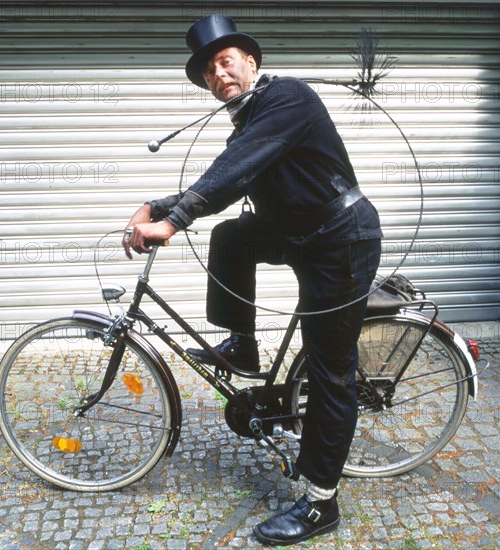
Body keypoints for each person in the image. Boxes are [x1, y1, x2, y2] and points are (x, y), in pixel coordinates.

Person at [123, 15, 382, 546]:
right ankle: (243, 346)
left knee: (331, 371)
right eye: (208, 73)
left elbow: (238, 168)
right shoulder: (248, 123)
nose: (219, 76)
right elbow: (228, 170)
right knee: (232, 237)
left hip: (341, 241)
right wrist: (158, 203)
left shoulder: (288, 98)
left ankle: (320, 503)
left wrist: (173, 222)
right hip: (298, 234)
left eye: (226, 62)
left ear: (252, 63)